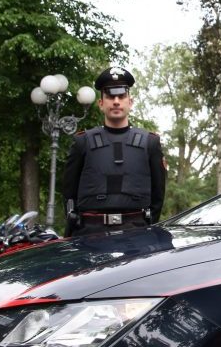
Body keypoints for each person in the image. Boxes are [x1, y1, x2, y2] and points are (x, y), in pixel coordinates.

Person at [62, 66, 166, 237]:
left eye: (121, 96)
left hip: (137, 235)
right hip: (89, 235)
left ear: (130, 102)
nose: (116, 101)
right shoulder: (82, 142)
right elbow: (69, 192)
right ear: (101, 104)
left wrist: (147, 227)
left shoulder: (150, 143)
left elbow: (158, 196)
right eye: (110, 96)